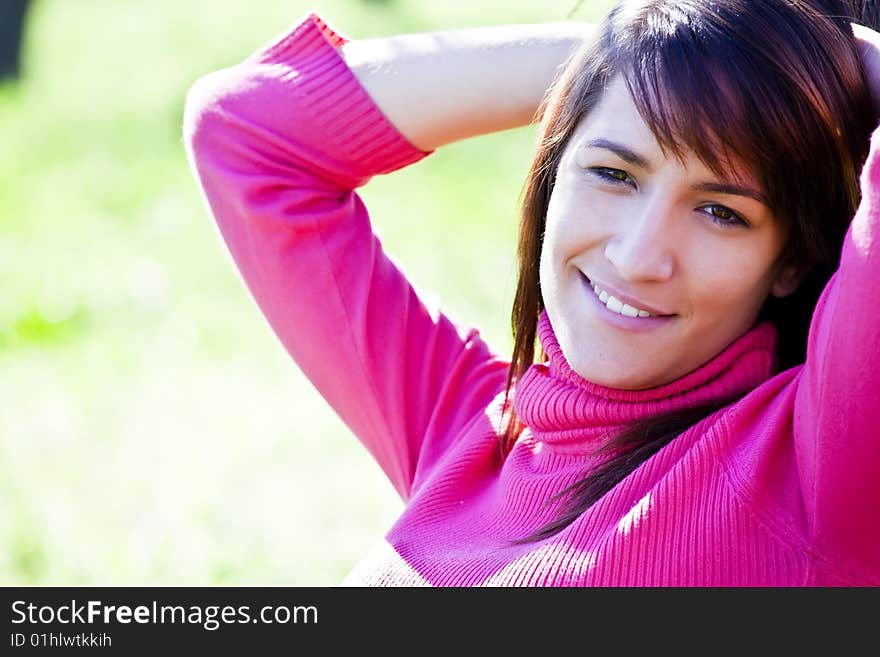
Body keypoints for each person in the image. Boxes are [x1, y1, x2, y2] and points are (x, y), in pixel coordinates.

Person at [183, 0, 880, 586]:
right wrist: (652, 47)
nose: (638, 257)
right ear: (554, 172)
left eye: (721, 212)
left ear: (789, 261)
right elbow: (248, 132)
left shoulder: (816, 476)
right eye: (613, 172)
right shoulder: (463, 430)